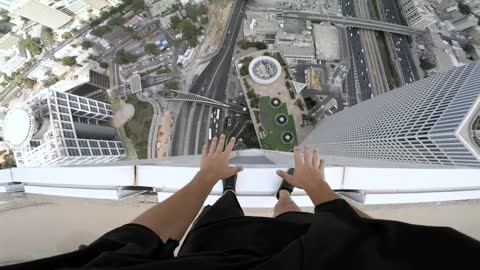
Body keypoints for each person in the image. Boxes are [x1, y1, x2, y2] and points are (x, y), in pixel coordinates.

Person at [1, 135, 479, 270]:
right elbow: (371, 246)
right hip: (274, 247)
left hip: (224, 246)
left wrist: (207, 178)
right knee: (291, 221)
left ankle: (241, 193)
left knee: (272, 222)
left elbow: (134, 241)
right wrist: (319, 191)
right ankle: (280, 195)